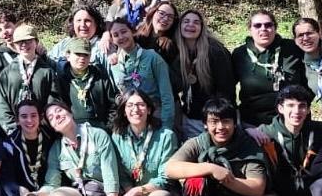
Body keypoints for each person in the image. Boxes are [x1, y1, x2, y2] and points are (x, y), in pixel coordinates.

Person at [38, 101, 124, 196]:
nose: (57, 116)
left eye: (59, 111)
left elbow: (110, 172)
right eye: (51, 117)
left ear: (70, 112)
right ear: (52, 126)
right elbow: (52, 183)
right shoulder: (57, 148)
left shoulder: (97, 135)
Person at [109, 91, 180, 196]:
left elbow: (165, 178)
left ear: (149, 109)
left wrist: (137, 191)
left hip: (156, 193)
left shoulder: (166, 136)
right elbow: (122, 177)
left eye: (141, 105)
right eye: (130, 105)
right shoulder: (117, 136)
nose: (136, 109)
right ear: (124, 111)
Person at [0, 101, 60, 196]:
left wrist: (41, 194)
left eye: (33, 116)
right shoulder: (9, 144)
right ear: (17, 120)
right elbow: (6, 178)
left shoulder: (51, 140)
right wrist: (20, 192)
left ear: (40, 117)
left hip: (45, 195)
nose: (29, 120)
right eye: (24, 116)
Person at [232, 9, 305, 126]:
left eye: (268, 25)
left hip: (292, 120)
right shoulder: (240, 54)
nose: (263, 29)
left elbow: (318, 54)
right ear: (250, 29)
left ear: (275, 28)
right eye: (257, 25)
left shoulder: (292, 48)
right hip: (253, 123)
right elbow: (227, 87)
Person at [175, 9, 235, 138]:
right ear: (179, 26)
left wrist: (217, 120)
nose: (191, 25)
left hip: (215, 120)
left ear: (202, 28)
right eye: (186, 21)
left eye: (196, 22)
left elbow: (227, 90)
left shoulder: (216, 52)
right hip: (190, 118)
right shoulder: (179, 52)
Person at [107, 19, 176, 131]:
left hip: (155, 118)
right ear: (112, 40)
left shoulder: (152, 57)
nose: (121, 37)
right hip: (130, 120)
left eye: (124, 31)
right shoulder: (114, 64)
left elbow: (166, 95)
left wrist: (166, 127)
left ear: (132, 32)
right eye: (116, 35)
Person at [0, 24, 55, 135]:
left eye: (28, 41)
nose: (24, 45)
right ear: (14, 44)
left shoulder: (47, 72)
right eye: (20, 42)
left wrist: (41, 127)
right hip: (14, 134)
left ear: (36, 42)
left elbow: (53, 102)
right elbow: (2, 105)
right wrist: (13, 129)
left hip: (42, 132)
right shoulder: (6, 73)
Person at [54, 38, 115, 128]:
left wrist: (108, 128)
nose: (82, 58)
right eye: (78, 54)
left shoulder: (99, 75)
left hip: (100, 130)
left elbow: (112, 105)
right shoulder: (60, 79)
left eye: (86, 55)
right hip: (72, 129)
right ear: (68, 55)